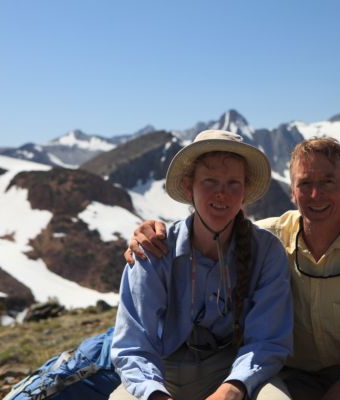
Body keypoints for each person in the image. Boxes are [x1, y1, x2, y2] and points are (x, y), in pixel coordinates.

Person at [126, 137, 340, 400]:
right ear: (292, 192)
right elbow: (217, 227)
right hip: (294, 375)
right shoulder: (267, 240)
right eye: (305, 184)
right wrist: (148, 234)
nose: (316, 195)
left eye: (328, 182)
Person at [111, 130, 293, 400]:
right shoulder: (154, 249)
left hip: (236, 371)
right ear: (188, 187)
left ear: (244, 192)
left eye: (234, 183)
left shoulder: (266, 251)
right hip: (162, 374)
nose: (222, 194)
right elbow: (133, 347)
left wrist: (233, 389)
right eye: (210, 181)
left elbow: (267, 340)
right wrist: (156, 395)